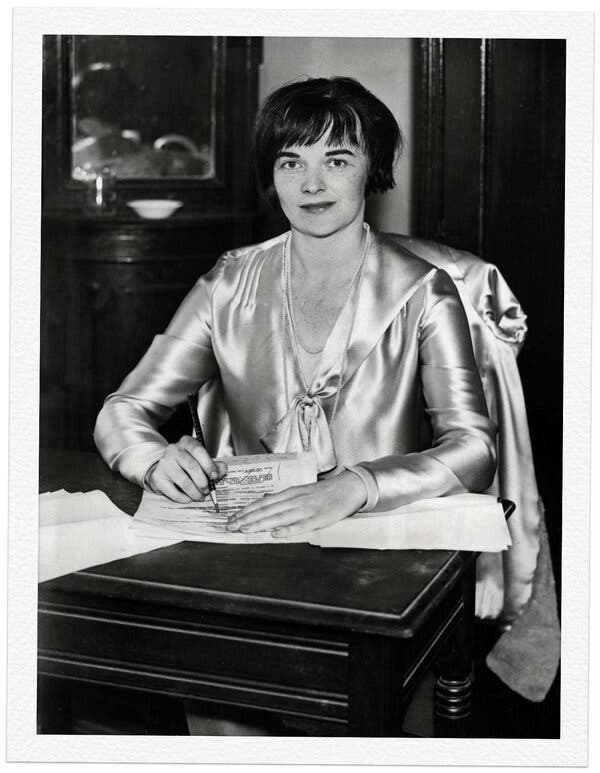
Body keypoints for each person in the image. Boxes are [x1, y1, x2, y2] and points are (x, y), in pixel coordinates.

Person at [94, 76, 497, 538]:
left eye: (337, 160)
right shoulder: (226, 284)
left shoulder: (424, 291)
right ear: (271, 175)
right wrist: (153, 460)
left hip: (376, 541)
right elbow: (123, 409)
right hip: (248, 538)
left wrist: (356, 486)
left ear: (373, 168)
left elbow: (474, 448)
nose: (311, 184)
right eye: (291, 162)